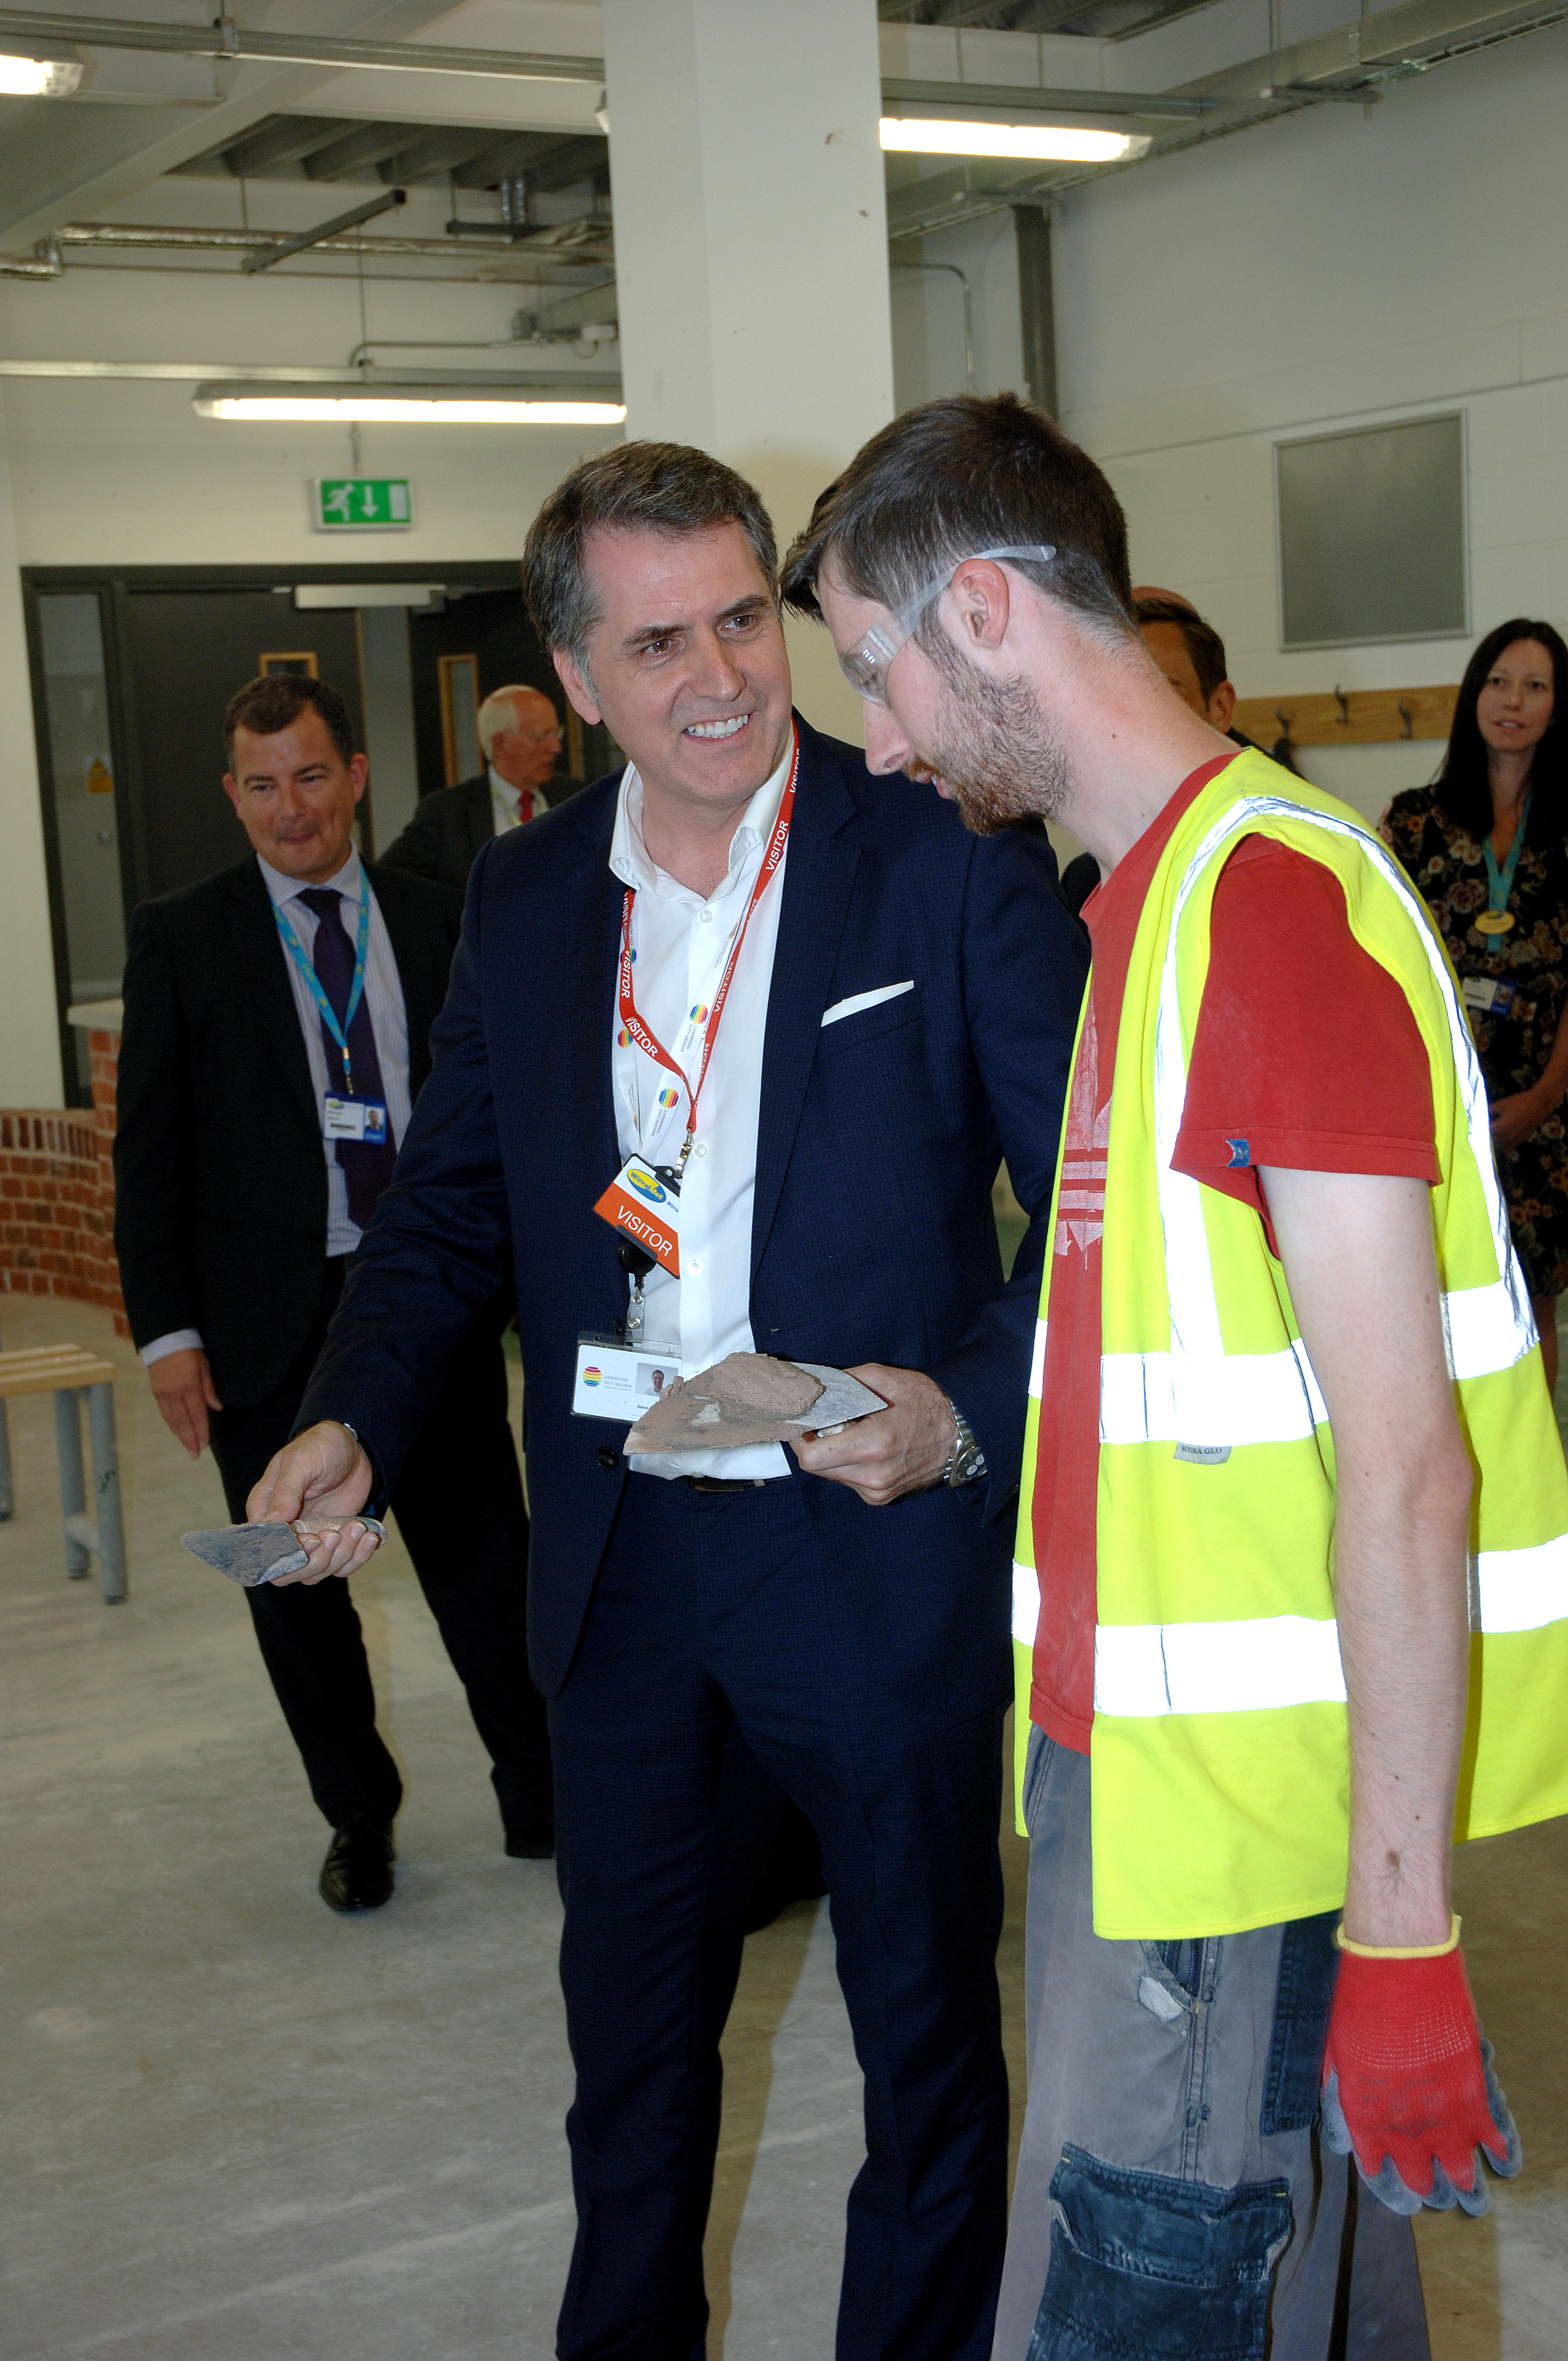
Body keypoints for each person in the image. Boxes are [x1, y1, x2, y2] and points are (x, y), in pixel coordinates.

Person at [242, 440, 1087, 2361]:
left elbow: (1092, 1219)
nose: (719, 674)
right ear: (566, 671)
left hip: (862, 1552)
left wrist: (958, 1410)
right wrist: (353, 1405)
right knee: (627, 2066)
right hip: (625, 1569)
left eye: (739, 617)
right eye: (656, 641)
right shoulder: (530, 899)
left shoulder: (937, 844)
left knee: (925, 2056)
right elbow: (451, 1205)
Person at [780, 392, 1568, 2360]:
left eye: (869, 666)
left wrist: (1396, 1937)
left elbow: (1403, 1468)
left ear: (977, 608)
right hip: (1146, 1798)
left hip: (1229, 1852)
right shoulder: (1135, 904)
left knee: (1144, 2315)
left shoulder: (1265, 910)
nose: (869, 732)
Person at [113, 673, 554, 1912]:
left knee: (486, 1561)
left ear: (355, 775)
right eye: (260, 785)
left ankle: (543, 1792)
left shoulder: (438, 915)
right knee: (295, 1591)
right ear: (231, 793)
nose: (288, 808)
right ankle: (357, 1817)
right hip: (261, 1319)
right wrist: (168, 1333)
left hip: (428, 1294)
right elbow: (149, 1151)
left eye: (310, 776)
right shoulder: (182, 934)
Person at [1381, 619, 1568, 1394]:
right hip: (1435, 1102)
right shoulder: (1415, 821)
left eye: (1535, 685)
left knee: (1534, 1303)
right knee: (1437, 1298)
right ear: (1472, 695)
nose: (1513, 701)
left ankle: (1541, 1489)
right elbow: (1383, 959)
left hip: (1541, 1103)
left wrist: (1547, 1096)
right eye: (1498, 681)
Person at [379, 682, 565, 889]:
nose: (556, 747)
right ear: (500, 745)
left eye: (557, 734)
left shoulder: (573, 794)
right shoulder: (446, 812)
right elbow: (389, 881)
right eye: (541, 737)